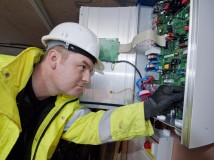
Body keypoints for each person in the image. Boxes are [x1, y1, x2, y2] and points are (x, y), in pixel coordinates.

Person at [0, 22, 184, 160]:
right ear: (54, 58)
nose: (87, 79)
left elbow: (95, 127)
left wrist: (147, 108)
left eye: (90, 71)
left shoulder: (63, 106)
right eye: (82, 66)